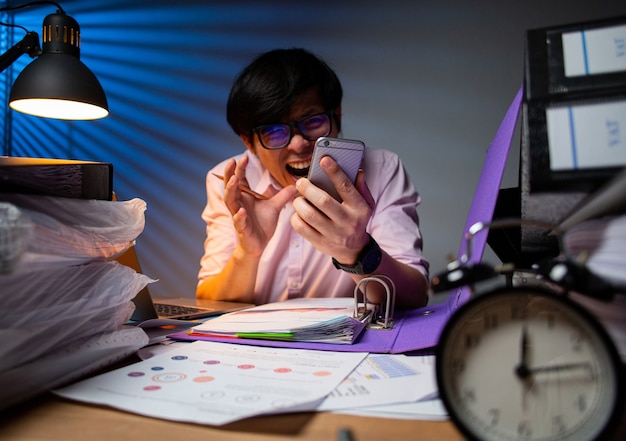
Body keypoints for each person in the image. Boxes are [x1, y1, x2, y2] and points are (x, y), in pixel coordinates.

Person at [197, 48, 429, 309]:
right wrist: (247, 253)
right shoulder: (229, 184)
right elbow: (209, 304)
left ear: (337, 115)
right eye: (273, 131)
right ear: (248, 142)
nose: (298, 144)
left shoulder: (382, 169)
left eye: (313, 121)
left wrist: (356, 250)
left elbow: (414, 296)